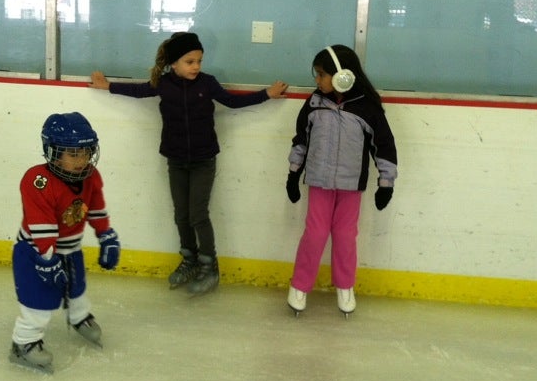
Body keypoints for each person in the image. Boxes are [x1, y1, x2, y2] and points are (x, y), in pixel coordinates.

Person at [90, 31, 287, 296]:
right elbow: (137, 91)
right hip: (176, 160)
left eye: (199, 61)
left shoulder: (207, 83)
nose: (196, 66)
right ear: (174, 63)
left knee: (198, 214)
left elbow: (232, 101)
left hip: (204, 160)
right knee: (181, 214)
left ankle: (210, 266)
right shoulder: (162, 83)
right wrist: (108, 86)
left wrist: (266, 94)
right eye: (190, 61)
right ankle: (190, 260)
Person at [285, 44, 397, 317]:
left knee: (346, 236)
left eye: (321, 74)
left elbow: (384, 146)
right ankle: (300, 286)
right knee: (316, 233)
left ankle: (345, 286)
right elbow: (301, 139)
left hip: (350, 185)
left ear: (341, 76)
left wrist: (386, 183)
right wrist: (293, 172)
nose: (317, 80)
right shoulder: (313, 104)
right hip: (319, 182)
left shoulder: (367, 108)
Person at [9, 111, 121, 373]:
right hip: (35, 252)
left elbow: (95, 207)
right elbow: (42, 225)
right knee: (38, 301)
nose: (81, 160)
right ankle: (23, 344)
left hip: (71, 250)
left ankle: (79, 317)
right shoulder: (37, 181)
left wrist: (106, 235)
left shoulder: (91, 176)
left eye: (85, 152)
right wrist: (47, 261)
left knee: (77, 288)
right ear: (53, 152)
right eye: (73, 154)